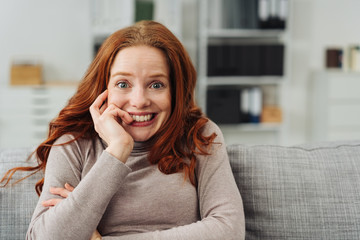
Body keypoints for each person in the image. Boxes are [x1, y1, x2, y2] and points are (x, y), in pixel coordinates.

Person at [5, 20, 245, 239]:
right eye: (123, 84)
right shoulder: (74, 143)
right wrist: (118, 151)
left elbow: (229, 230)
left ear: (175, 91)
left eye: (156, 84)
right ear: (103, 88)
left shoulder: (198, 136)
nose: (139, 100)